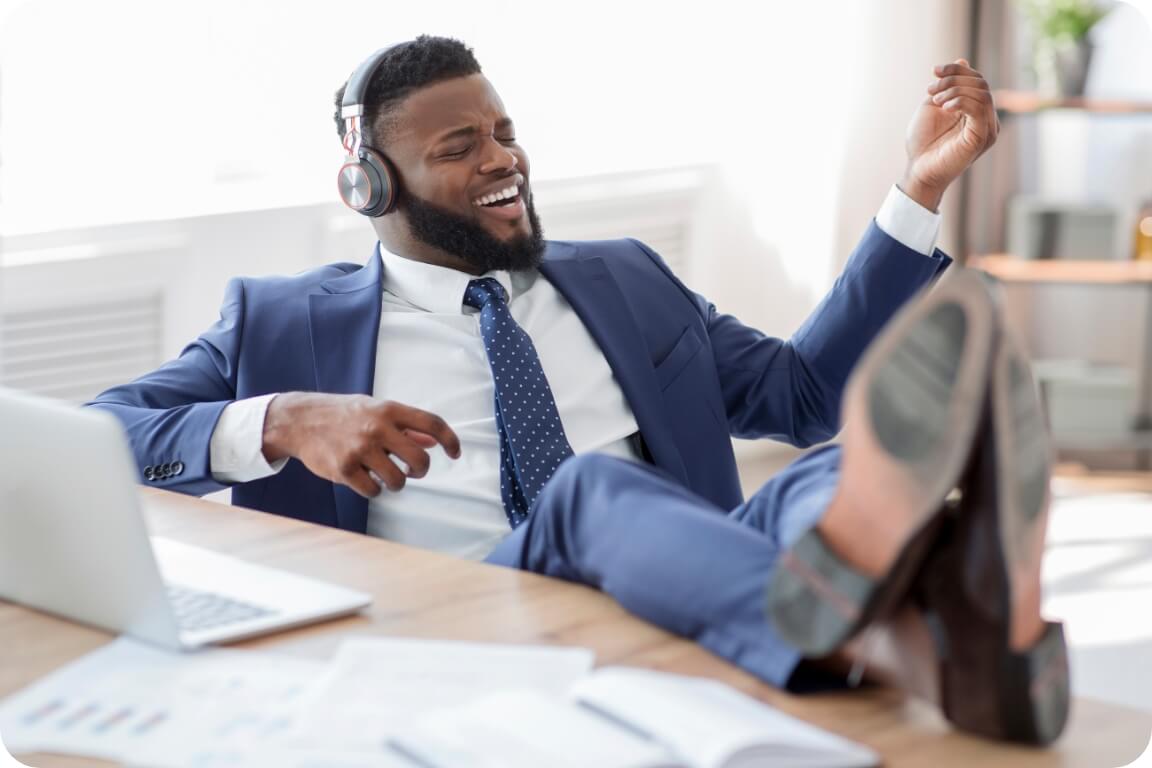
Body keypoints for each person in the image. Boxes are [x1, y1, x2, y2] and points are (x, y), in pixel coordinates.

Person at [88, 36, 1068, 744]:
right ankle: (941, 631)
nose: (503, 158)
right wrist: (280, 419)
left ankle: (919, 634)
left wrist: (919, 190)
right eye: (458, 146)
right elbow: (100, 434)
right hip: (476, 621)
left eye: (505, 132)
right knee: (591, 492)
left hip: (684, 585)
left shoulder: (623, 278)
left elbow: (800, 392)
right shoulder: (279, 321)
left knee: (842, 460)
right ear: (371, 188)